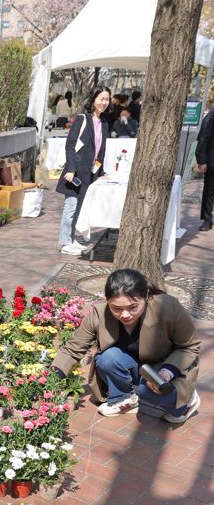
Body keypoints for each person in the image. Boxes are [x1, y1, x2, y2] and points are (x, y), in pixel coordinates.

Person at [52, 268, 201, 423]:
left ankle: (186, 404)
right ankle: (123, 399)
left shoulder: (168, 307)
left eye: (133, 307)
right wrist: (50, 379)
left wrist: (168, 371)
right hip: (136, 365)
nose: (124, 315)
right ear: (107, 300)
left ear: (146, 297)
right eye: (116, 308)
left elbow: (189, 347)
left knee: (148, 390)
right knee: (107, 358)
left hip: (166, 367)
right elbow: (73, 348)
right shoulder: (99, 313)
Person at [56, 85, 111, 257]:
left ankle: (71, 239)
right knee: (71, 207)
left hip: (89, 173)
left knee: (79, 208)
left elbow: (101, 149)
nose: (104, 102)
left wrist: (100, 172)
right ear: (93, 99)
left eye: (107, 99)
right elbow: (70, 144)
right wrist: (71, 168)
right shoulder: (82, 119)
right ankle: (65, 242)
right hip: (76, 172)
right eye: (101, 98)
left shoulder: (103, 122)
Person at [195, 105, 214, 232]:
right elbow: (202, 138)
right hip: (212, 162)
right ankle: (207, 220)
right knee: (209, 191)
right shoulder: (211, 116)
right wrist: (202, 161)